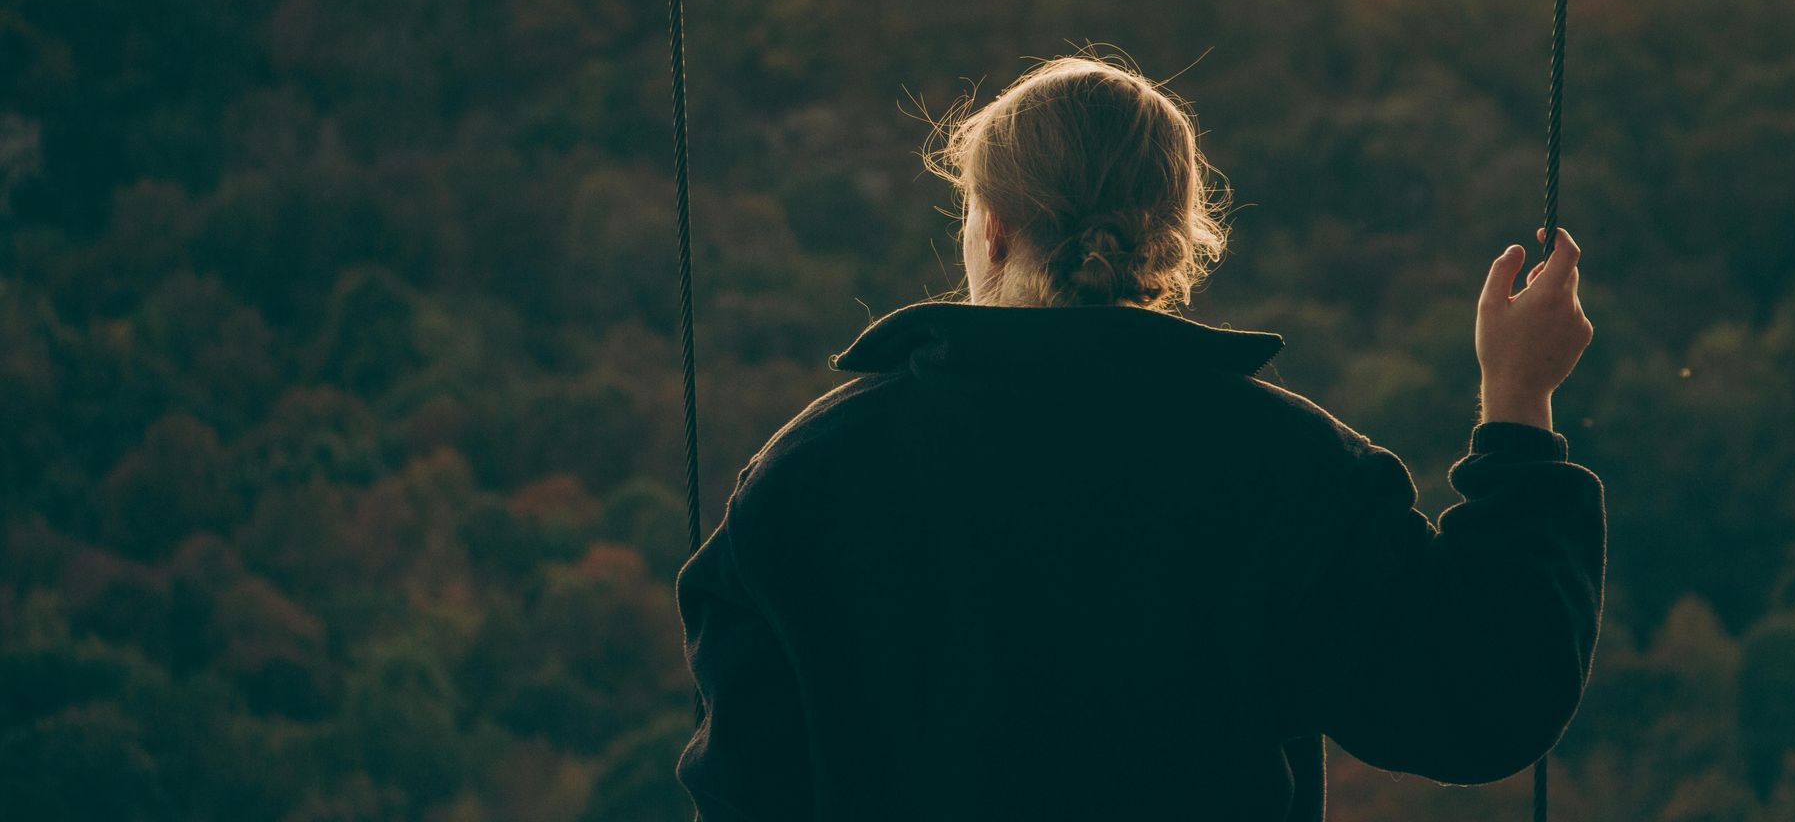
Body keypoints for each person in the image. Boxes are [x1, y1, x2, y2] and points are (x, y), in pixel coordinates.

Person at [675, 54, 1606, 821]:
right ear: (1174, 241)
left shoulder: (812, 473)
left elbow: (744, 793)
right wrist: (1517, 397)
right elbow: (1484, 701)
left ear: (991, 230)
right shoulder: (1285, 468)